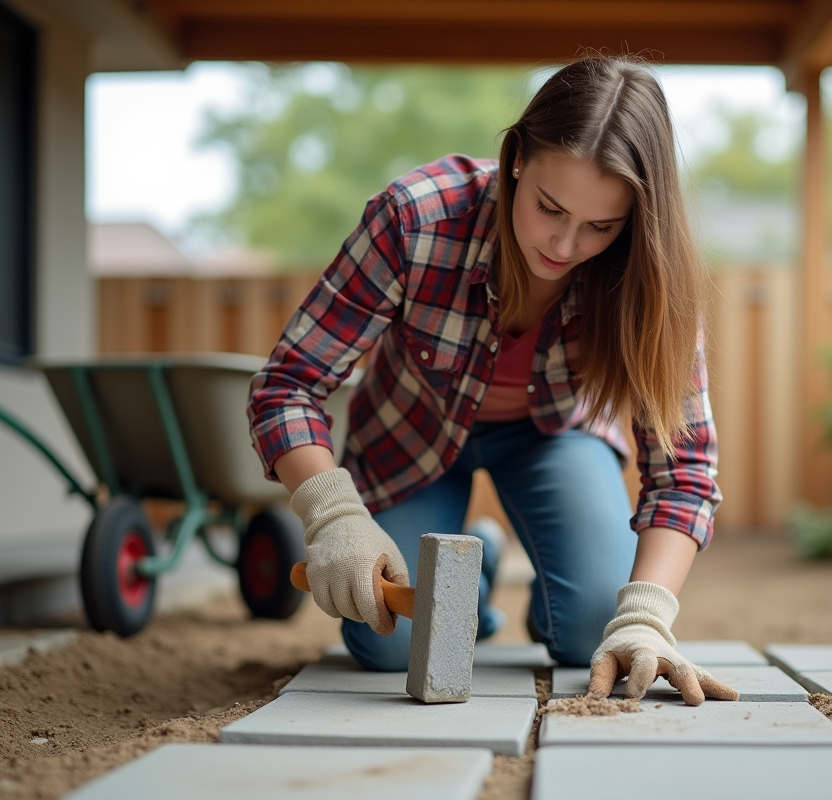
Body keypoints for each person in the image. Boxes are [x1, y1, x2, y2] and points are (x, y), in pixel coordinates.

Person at [247, 54, 738, 705]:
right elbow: (289, 384)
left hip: (551, 436)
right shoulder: (414, 220)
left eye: (600, 226)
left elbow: (686, 470)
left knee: (595, 629)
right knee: (389, 642)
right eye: (549, 207)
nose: (564, 246)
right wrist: (333, 515)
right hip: (410, 437)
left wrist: (645, 616)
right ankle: (470, 577)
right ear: (515, 160)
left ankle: (557, 592)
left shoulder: (654, 276)